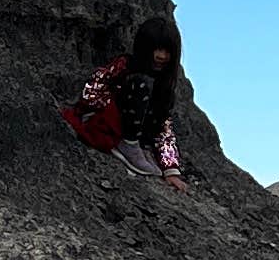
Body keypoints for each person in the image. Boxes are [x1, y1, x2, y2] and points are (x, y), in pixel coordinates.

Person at [65, 16, 189, 185]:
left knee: (162, 103)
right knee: (140, 85)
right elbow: (93, 88)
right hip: (107, 124)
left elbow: (164, 129)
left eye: (167, 51)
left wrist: (171, 169)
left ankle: (139, 147)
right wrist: (105, 109)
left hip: (139, 136)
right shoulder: (125, 65)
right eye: (156, 49)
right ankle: (128, 144)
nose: (161, 56)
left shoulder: (164, 87)